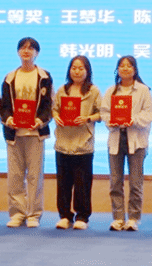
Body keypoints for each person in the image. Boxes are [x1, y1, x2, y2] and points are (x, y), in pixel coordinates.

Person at [0, 37, 53, 228]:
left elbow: (48, 105)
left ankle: (33, 214)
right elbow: (4, 105)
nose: (26, 51)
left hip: (35, 133)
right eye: (22, 47)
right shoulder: (10, 77)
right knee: (15, 176)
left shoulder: (44, 76)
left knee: (34, 176)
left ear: (37, 53)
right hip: (14, 133)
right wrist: (9, 120)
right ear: (18, 52)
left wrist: (40, 120)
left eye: (31, 48)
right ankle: (17, 213)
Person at [101, 56, 152, 232]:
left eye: (129, 66)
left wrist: (133, 120)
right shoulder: (111, 91)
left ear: (135, 69)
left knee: (135, 183)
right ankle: (117, 218)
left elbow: (149, 114)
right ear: (117, 70)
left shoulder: (143, 90)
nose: (125, 68)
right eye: (121, 66)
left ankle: (133, 218)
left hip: (136, 140)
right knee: (115, 182)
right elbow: (104, 112)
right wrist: (111, 121)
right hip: (116, 139)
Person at [52, 56, 101, 230]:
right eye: (74, 68)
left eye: (81, 68)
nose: (77, 71)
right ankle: (65, 215)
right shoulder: (62, 90)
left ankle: (82, 216)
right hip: (63, 143)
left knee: (82, 184)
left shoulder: (93, 91)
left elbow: (101, 113)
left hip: (83, 145)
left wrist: (88, 118)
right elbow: (54, 109)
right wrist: (56, 117)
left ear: (87, 71)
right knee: (63, 183)